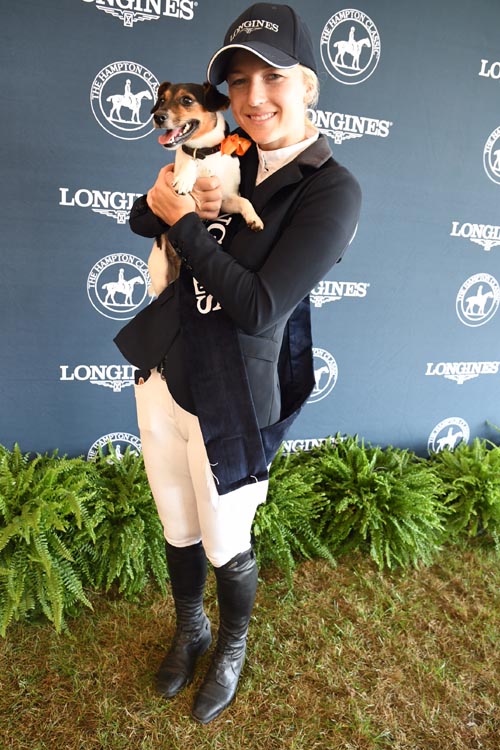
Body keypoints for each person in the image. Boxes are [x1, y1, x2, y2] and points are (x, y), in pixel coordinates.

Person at [115, 2, 361, 725]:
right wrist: (173, 197)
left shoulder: (331, 187)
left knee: (225, 536)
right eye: (241, 80)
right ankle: (190, 628)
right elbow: (141, 216)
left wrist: (186, 222)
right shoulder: (228, 149)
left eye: (274, 77)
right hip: (165, 371)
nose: (255, 97)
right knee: (176, 522)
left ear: (308, 84)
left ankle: (231, 644)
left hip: (236, 394)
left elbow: (258, 306)